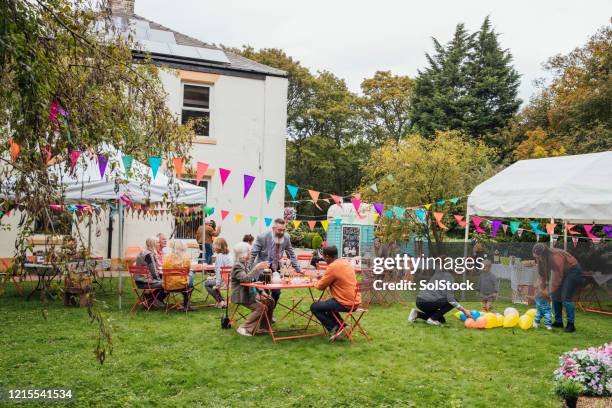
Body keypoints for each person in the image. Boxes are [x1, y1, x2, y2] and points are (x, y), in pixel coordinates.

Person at [311, 246, 361, 340]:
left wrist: (314, 281)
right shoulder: (345, 262)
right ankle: (343, 327)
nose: (324, 260)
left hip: (345, 302)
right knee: (327, 304)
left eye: (324, 257)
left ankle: (335, 328)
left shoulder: (332, 267)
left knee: (315, 307)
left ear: (327, 257)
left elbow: (320, 287)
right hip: (355, 300)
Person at [248, 218, 302, 306]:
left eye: (283, 230)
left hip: (276, 270)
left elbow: (291, 254)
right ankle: (264, 316)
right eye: (279, 230)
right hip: (263, 270)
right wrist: (248, 270)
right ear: (273, 229)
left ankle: (270, 312)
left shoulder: (286, 237)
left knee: (276, 293)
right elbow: (253, 254)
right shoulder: (262, 237)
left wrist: (298, 269)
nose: (281, 232)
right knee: (264, 295)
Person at [532, 243, 584, 332]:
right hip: (563, 272)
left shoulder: (555, 257)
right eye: (535, 257)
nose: (537, 259)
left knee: (566, 297)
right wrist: (542, 288)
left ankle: (571, 325)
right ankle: (558, 322)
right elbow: (542, 276)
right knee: (556, 296)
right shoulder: (541, 259)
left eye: (538, 257)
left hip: (573, 271)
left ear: (544, 254)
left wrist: (549, 292)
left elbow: (558, 276)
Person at [408, 257, 472, 325]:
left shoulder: (439, 273)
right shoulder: (449, 278)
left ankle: (417, 314)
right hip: (426, 302)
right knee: (454, 300)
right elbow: (451, 300)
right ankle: (432, 319)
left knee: (441, 320)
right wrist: (464, 311)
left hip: (419, 301)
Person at [230, 242, 274, 336]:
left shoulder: (244, 265)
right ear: (242, 254)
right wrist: (257, 268)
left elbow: (252, 280)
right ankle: (244, 327)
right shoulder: (237, 266)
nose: (250, 255)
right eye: (248, 253)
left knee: (270, 301)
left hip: (250, 293)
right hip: (242, 295)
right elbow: (245, 279)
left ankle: (263, 327)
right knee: (261, 308)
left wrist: (261, 291)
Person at [163, 240, 195, 312]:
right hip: (182, 285)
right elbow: (188, 271)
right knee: (191, 284)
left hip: (168, 285)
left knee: (188, 282)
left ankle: (186, 305)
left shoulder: (166, 258)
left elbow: (163, 270)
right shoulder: (185, 259)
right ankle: (186, 305)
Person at [134, 237, 166, 307]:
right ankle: (154, 300)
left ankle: (148, 299)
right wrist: (160, 281)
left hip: (139, 281)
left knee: (163, 281)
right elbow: (154, 272)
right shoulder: (149, 255)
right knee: (167, 283)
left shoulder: (143, 252)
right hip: (145, 282)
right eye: (157, 243)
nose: (159, 244)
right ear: (153, 244)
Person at [206, 237, 232, 308]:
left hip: (225, 281)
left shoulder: (219, 256)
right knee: (210, 281)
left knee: (207, 283)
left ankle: (221, 301)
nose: (213, 246)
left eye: (214, 245)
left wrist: (217, 284)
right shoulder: (229, 254)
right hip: (230, 280)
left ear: (218, 246)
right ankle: (221, 301)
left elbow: (219, 272)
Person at [533, 263, 553, 330]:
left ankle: (541, 323)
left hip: (542, 299)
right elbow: (535, 286)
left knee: (543, 312)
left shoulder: (545, 280)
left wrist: (539, 289)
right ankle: (541, 323)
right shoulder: (542, 279)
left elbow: (536, 286)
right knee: (543, 312)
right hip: (540, 298)